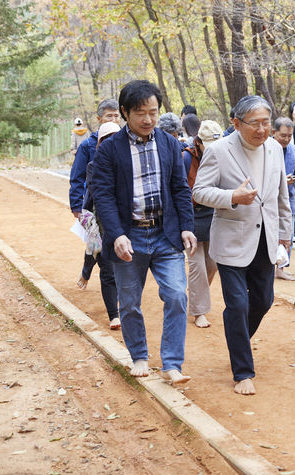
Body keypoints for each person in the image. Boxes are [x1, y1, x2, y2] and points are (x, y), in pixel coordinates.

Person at [92, 80, 197, 384]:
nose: (148, 119)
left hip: (165, 234)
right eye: (140, 113)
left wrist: (187, 227)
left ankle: (172, 364)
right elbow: (103, 196)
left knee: (177, 295)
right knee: (129, 302)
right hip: (129, 236)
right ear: (124, 112)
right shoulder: (110, 150)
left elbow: (180, 188)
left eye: (153, 112)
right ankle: (138, 356)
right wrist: (116, 234)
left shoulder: (167, 143)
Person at [193, 95, 293, 395]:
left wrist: (285, 232)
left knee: (263, 300)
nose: (262, 130)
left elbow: (280, 197)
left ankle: (239, 339)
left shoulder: (275, 149)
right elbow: (199, 192)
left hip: (266, 239)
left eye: (266, 123)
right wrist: (231, 197)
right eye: (255, 124)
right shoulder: (220, 151)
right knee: (237, 304)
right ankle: (242, 371)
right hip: (232, 240)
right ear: (236, 124)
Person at [76, 121, 122, 330]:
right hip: (102, 223)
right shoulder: (94, 166)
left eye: (116, 137)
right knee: (107, 267)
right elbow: (97, 196)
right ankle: (114, 314)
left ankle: (85, 270)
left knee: (124, 268)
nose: (112, 142)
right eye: (106, 139)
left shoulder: (129, 163)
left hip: (126, 224)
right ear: (100, 143)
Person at [182, 120, 224, 329]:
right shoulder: (186, 157)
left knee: (213, 264)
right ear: (198, 142)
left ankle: (197, 295)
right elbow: (179, 190)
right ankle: (199, 311)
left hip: (213, 215)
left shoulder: (222, 154)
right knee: (197, 266)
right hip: (191, 216)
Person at [69, 99, 122, 219]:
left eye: (116, 116)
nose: (113, 120)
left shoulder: (128, 142)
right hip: (96, 204)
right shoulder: (88, 145)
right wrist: (76, 206)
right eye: (109, 116)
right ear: (99, 119)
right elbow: (77, 176)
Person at [271, 116, 295, 281]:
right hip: (269, 199)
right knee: (270, 234)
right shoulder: (265, 148)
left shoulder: (294, 150)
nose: (286, 139)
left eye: (289, 136)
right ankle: (268, 268)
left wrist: (294, 179)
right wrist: (280, 180)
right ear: (274, 132)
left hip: (289, 198)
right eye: (283, 135)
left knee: (287, 234)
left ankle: (281, 268)